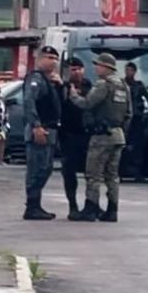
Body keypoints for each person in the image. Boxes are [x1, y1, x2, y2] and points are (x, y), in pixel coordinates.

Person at [69, 53, 132, 222]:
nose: (96, 68)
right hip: (118, 135)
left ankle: (90, 208)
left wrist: (73, 94)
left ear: (106, 68)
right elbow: (129, 114)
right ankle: (112, 210)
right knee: (112, 175)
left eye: (98, 65)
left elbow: (87, 103)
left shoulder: (104, 84)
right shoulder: (124, 86)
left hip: (101, 136)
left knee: (93, 174)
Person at [22, 45, 62, 221]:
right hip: (39, 130)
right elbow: (29, 101)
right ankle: (32, 206)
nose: (52, 62)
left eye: (55, 59)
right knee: (36, 169)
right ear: (39, 59)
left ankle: (36, 205)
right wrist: (36, 126)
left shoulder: (50, 81)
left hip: (50, 130)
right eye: (48, 58)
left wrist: (60, 86)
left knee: (46, 169)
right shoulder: (36, 79)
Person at [59, 58, 92, 221]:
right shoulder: (61, 88)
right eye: (73, 69)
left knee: (92, 173)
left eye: (79, 68)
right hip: (68, 135)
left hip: (87, 136)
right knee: (69, 173)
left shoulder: (89, 86)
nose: (77, 72)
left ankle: (91, 205)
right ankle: (73, 206)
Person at [124, 61, 148, 181]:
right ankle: (121, 171)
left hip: (137, 118)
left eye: (130, 70)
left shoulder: (138, 85)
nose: (128, 72)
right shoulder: (121, 83)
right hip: (124, 118)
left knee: (137, 146)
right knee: (123, 146)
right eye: (127, 70)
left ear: (134, 72)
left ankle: (137, 172)